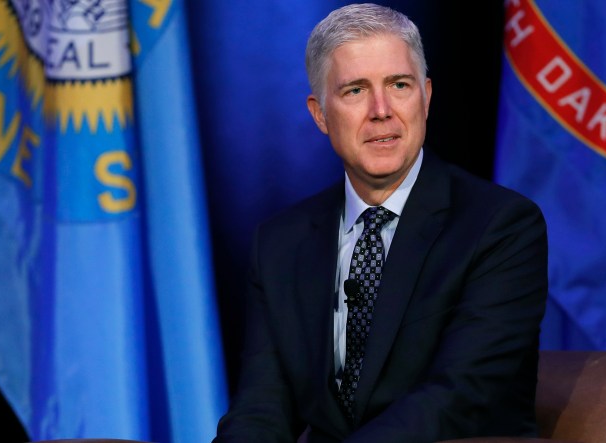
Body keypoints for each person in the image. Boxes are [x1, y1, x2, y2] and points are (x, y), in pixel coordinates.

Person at [213, 3, 548, 442]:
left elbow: (460, 395)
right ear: (319, 114)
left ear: (426, 97)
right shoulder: (281, 243)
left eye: (399, 85)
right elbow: (262, 407)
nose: (381, 110)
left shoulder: (501, 227)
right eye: (355, 90)